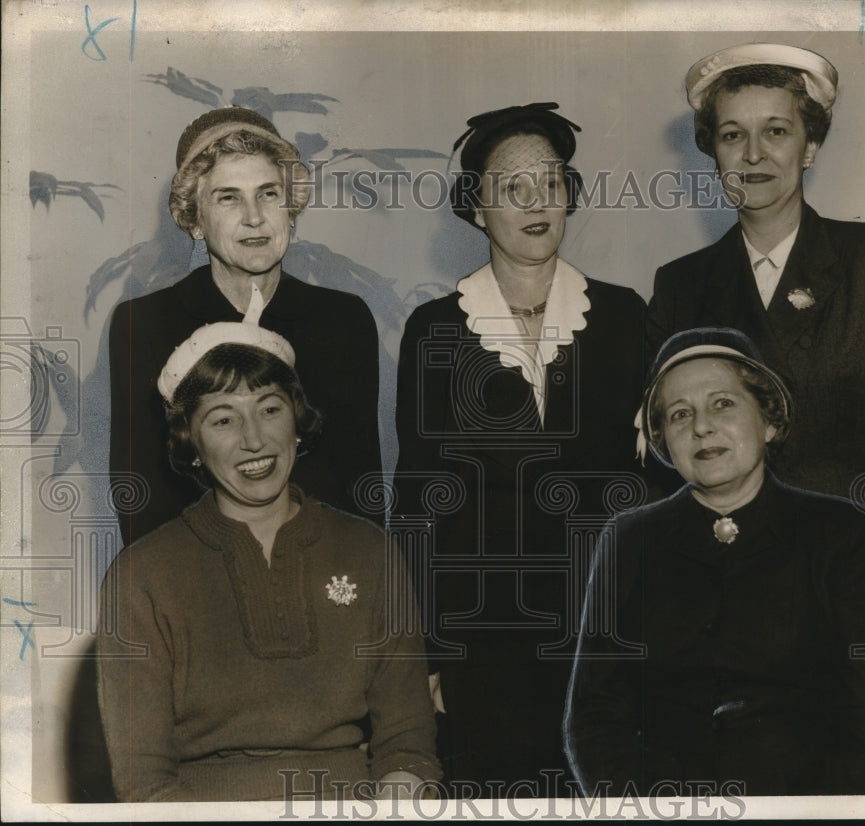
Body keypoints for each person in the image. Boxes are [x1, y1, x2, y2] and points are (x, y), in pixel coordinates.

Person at [393, 103, 647, 796]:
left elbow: (654, 484)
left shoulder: (625, 316)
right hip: (484, 635)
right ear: (477, 209)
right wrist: (430, 652)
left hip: (605, 628)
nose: (538, 202)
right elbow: (419, 495)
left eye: (552, 181)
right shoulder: (435, 330)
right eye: (513, 187)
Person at [645, 44, 865, 604]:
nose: (754, 155)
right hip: (721, 598)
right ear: (713, 151)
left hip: (847, 592)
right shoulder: (680, 287)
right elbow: (664, 462)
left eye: (777, 132)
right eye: (733, 135)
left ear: (809, 146)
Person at [97, 321, 441, 801]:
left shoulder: (370, 550)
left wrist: (397, 797)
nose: (254, 440)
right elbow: (144, 778)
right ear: (190, 444)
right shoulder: (141, 575)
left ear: (297, 424)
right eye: (223, 419)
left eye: (270, 409)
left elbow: (406, 740)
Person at [564, 327, 865, 797]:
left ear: (768, 421)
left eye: (723, 403)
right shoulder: (628, 540)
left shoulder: (839, 532)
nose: (701, 427)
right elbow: (594, 717)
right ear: (665, 441)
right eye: (680, 414)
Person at [109, 105, 381, 547]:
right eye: (228, 197)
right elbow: (144, 497)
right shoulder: (144, 323)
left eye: (269, 194)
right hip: (194, 580)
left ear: (291, 208)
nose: (254, 217)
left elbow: (357, 490)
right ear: (194, 220)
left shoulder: (343, 320)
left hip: (317, 571)